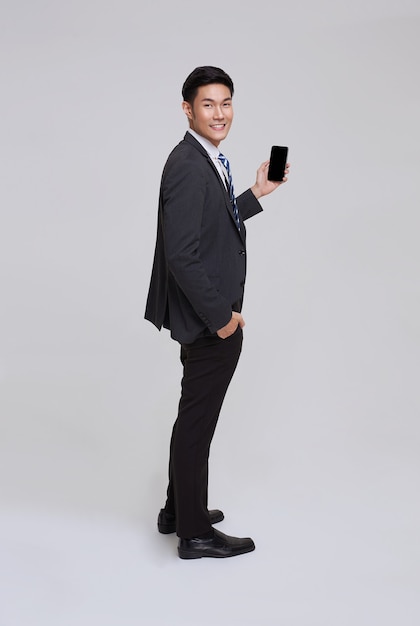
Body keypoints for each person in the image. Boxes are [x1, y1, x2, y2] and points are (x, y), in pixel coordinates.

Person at [145, 66, 289, 559]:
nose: (219, 113)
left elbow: (212, 226)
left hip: (207, 315)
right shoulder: (188, 164)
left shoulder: (206, 159)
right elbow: (182, 253)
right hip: (209, 318)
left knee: (191, 416)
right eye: (208, 104)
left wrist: (255, 196)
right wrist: (223, 318)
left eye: (226, 102)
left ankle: (176, 510)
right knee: (197, 423)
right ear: (187, 109)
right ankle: (194, 535)